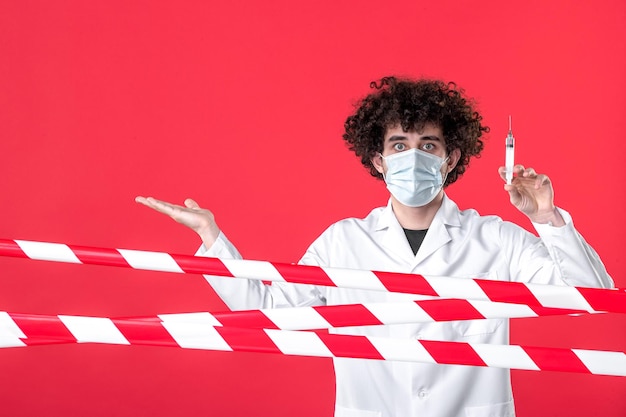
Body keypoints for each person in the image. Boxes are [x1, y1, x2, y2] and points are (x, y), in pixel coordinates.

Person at [136, 76, 613, 417]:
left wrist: (546, 218)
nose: (414, 156)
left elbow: (591, 299)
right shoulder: (343, 241)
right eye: (400, 145)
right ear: (378, 160)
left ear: (452, 158)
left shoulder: (496, 238)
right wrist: (212, 238)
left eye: (429, 145)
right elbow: (268, 308)